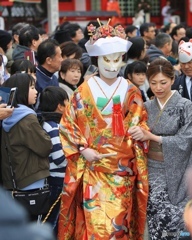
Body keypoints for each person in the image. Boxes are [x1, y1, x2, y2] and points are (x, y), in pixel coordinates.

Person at [58, 22, 149, 239]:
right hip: (93, 167)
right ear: (97, 59)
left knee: (119, 225)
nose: (112, 65)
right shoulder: (83, 91)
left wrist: (141, 131)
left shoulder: (131, 90)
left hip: (122, 170)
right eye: (106, 59)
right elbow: (68, 124)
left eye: (117, 59)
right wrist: (82, 148)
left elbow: (141, 122)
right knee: (95, 225)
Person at [129, 58, 192, 239]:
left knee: (177, 223)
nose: (158, 88)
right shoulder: (146, 107)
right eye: (154, 83)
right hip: (152, 170)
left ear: (173, 80)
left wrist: (152, 137)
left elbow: (186, 140)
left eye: (163, 82)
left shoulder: (186, 106)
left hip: (178, 171)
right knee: (155, 217)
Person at [1, 73, 52, 220]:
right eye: (31, 87)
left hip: (14, 181)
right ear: (21, 91)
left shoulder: (6, 117)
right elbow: (45, 146)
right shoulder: (27, 118)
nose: (36, 91)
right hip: (32, 179)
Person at [38, 86, 68, 236]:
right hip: (57, 181)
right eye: (67, 102)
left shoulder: (47, 124)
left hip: (53, 180)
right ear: (60, 106)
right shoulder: (54, 127)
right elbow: (60, 159)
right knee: (53, 221)